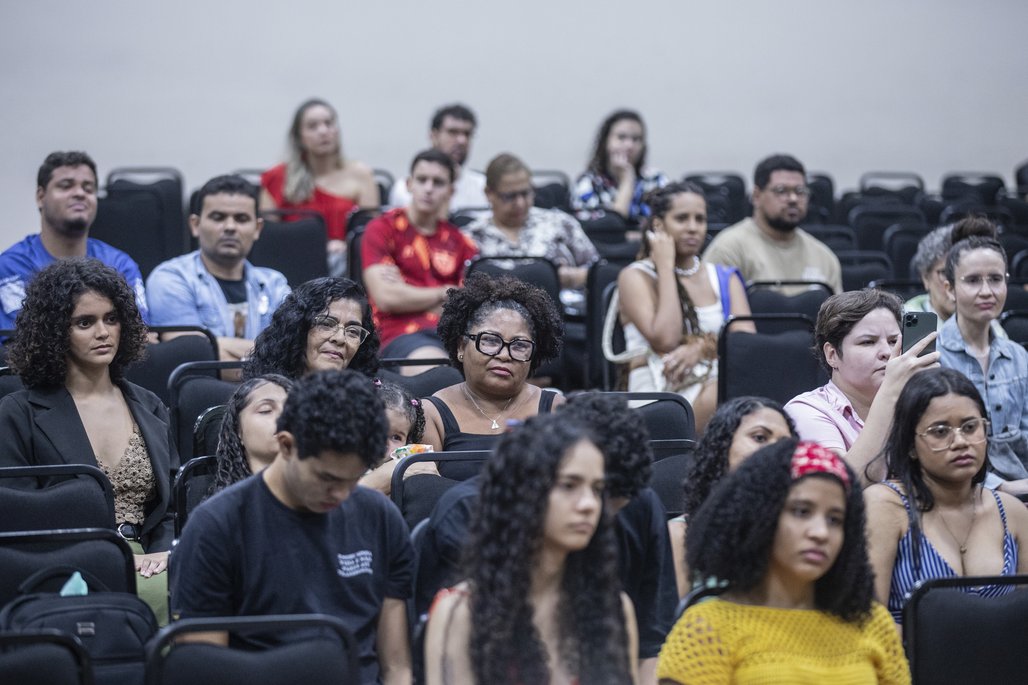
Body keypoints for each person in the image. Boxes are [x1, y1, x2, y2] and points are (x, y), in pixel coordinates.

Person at [171, 370, 415, 685]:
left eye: (352, 479)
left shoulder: (380, 518)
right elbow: (204, 672)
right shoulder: (217, 526)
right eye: (327, 478)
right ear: (286, 445)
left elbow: (397, 668)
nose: (341, 495)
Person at [416, 392, 675, 684]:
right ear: (526, 493)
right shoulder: (460, 612)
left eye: (597, 489)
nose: (590, 504)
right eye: (569, 485)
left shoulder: (616, 607)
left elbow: (653, 644)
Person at [0, 259, 173, 622]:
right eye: (85, 322)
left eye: (112, 319)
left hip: (153, 561)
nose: (103, 332)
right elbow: (20, 518)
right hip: (65, 564)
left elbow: (172, 506)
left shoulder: (150, 404)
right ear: (54, 332)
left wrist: (162, 553)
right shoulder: (17, 413)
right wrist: (118, 556)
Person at [657, 439, 910, 684]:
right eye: (801, 512)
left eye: (835, 519)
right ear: (760, 517)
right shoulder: (708, 628)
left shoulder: (872, 622)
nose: (820, 533)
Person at [865, 368, 1028, 624]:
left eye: (970, 427)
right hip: (906, 660)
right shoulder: (885, 506)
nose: (961, 441)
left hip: (1001, 661)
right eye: (941, 431)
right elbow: (870, 625)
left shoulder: (1013, 512)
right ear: (910, 446)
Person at [616, 182, 753, 432]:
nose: (693, 228)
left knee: (734, 387)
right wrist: (665, 267)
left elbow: (747, 345)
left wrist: (701, 347)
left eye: (699, 219)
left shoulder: (723, 277)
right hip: (658, 390)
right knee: (726, 392)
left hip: (715, 382)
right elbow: (666, 339)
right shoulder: (636, 276)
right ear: (658, 225)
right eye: (682, 219)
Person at [785, 289, 938, 485]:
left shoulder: (917, 405)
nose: (887, 352)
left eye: (893, 341)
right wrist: (890, 392)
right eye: (868, 342)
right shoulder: (805, 410)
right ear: (832, 355)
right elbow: (840, 487)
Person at [147, 174, 291, 362]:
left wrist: (215, 346)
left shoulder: (274, 283)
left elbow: (292, 349)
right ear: (195, 225)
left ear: (257, 229)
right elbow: (191, 358)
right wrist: (270, 356)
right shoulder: (170, 278)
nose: (230, 227)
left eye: (241, 218)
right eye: (218, 217)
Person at [0, 151, 149, 330]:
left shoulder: (119, 264)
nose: (79, 193)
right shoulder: (12, 266)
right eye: (65, 186)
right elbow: (25, 342)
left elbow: (140, 336)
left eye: (88, 188)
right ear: (41, 197)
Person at [422, 272, 564, 456]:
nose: (505, 355)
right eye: (490, 341)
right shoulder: (432, 414)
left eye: (520, 345)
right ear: (461, 347)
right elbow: (423, 482)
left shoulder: (555, 409)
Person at [362, 149, 479, 369]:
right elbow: (387, 297)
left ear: (450, 191)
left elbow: (465, 304)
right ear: (409, 184)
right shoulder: (382, 228)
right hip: (397, 334)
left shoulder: (461, 242)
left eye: (438, 182)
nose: (428, 188)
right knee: (436, 369)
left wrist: (409, 294)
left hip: (454, 334)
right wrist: (442, 292)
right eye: (422, 180)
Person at [669, 396, 796, 598]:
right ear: (722, 446)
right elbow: (666, 624)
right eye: (760, 438)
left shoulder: (798, 534)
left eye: (785, 443)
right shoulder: (681, 535)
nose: (775, 450)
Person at [938, 233, 1028, 494]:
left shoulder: (1018, 356)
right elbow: (932, 444)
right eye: (973, 280)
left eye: (996, 279)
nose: (987, 291)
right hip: (959, 492)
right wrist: (1002, 488)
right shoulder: (931, 357)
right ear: (949, 289)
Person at [259, 98, 379, 274]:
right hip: (293, 263)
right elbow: (269, 236)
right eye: (312, 126)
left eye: (329, 123)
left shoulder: (361, 174)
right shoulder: (277, 177)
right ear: (299, 137)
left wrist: (346, 244)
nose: (323, 131)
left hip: (345, 266)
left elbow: (370, 233)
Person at [703, 154, 843, 294]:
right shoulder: (728, 249)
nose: (793, 199)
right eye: (781, 190)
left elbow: (838, 314)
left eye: (800, 191)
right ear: (757, 196)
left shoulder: (824, 257)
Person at [464, 153, 599, 290]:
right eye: (510, 196)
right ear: (489, 194)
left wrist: (574, 276)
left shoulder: (560, 223)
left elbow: (599, 271)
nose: (520, 203)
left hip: (563, 307)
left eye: (525, 193)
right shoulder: (471, 237)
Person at [242, 276, 379, 380]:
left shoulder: (374, 404)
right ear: (297, 327)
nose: (340, 338)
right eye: (326, 324)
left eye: (353, 331)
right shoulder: (264, 400)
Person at [904, 218, 1007, 337]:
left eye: (971, 278)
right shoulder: (904, 322)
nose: (955, 284)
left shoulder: (991, 326)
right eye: (947, 273)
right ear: (925, 278)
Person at [572, 109, 668, 226]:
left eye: (636, 139)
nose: (629, 145)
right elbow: (609, 228)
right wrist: (626, 181)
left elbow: (668, 225)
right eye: (621, 137)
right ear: (605, 141)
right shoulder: (587, 183)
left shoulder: (656, 179)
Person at [389, 103, 487, 213]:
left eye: (467, 134)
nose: (461, 141)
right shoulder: (404, 190)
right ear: (433, 136)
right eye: (452, 132)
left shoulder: (483, 187)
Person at [212, 374, 293, 491]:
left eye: (291, 409)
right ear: (237, 430)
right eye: (266, 410)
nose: (284, 416)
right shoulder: (223, 506)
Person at [357, 379, 430, 494]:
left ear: (408, 441)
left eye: (396, 437)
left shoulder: (408, 463)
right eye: (377, 430)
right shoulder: (347, 463)